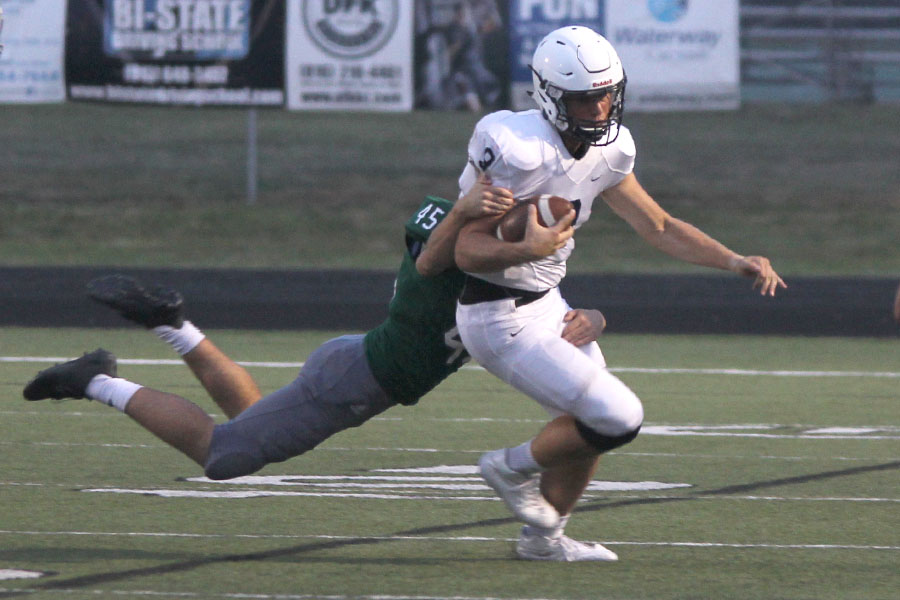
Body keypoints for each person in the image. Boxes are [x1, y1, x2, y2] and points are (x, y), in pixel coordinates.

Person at [451, 26, 787, 562]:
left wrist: (733, 260)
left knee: (593, 429)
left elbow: (657, 224)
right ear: (549, 95)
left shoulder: (608, 152)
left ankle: (544, 540)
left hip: (550, 305)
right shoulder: (516, 148)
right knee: (618, 416)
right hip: (495, 313)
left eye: (607, 93)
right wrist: (524, 247)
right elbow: (464, 250)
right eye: (585, 97)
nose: (600, 106)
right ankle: (510, 467)